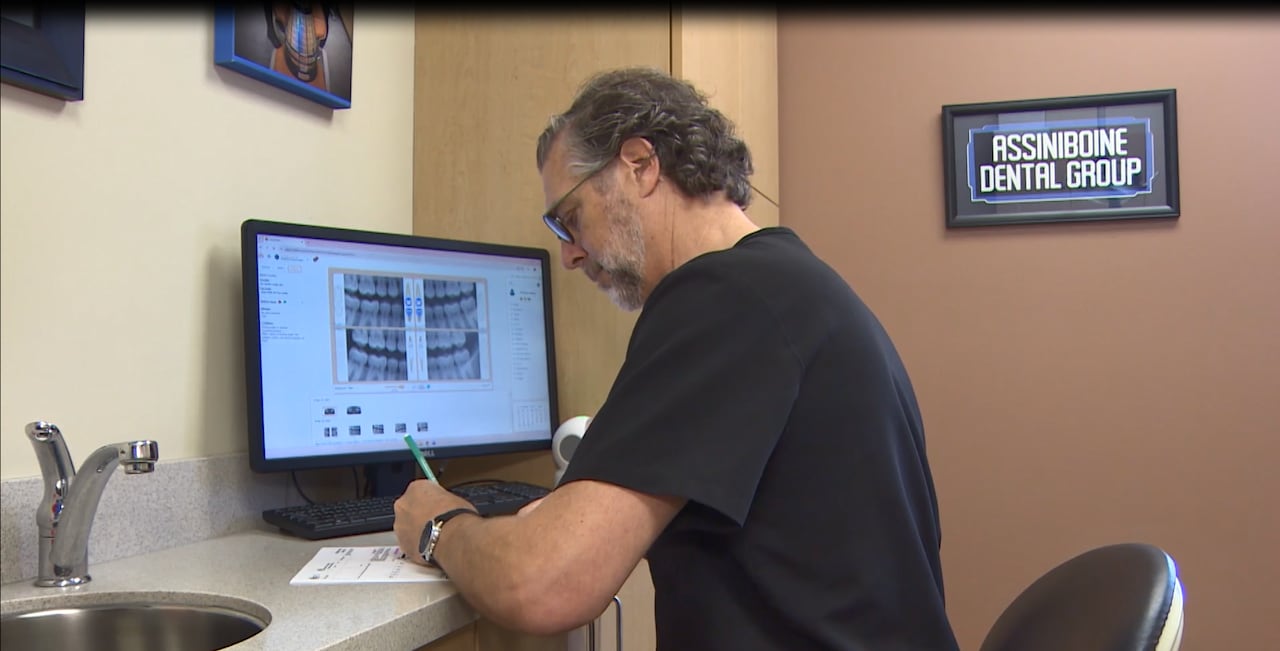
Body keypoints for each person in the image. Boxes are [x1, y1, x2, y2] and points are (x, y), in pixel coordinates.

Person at [394, 66, 959, 650]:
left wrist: (440, 524)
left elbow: (541, 585)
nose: (569, 255)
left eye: (570, 218)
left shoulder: (724, 298)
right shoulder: (785, 287)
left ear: (639, 165)